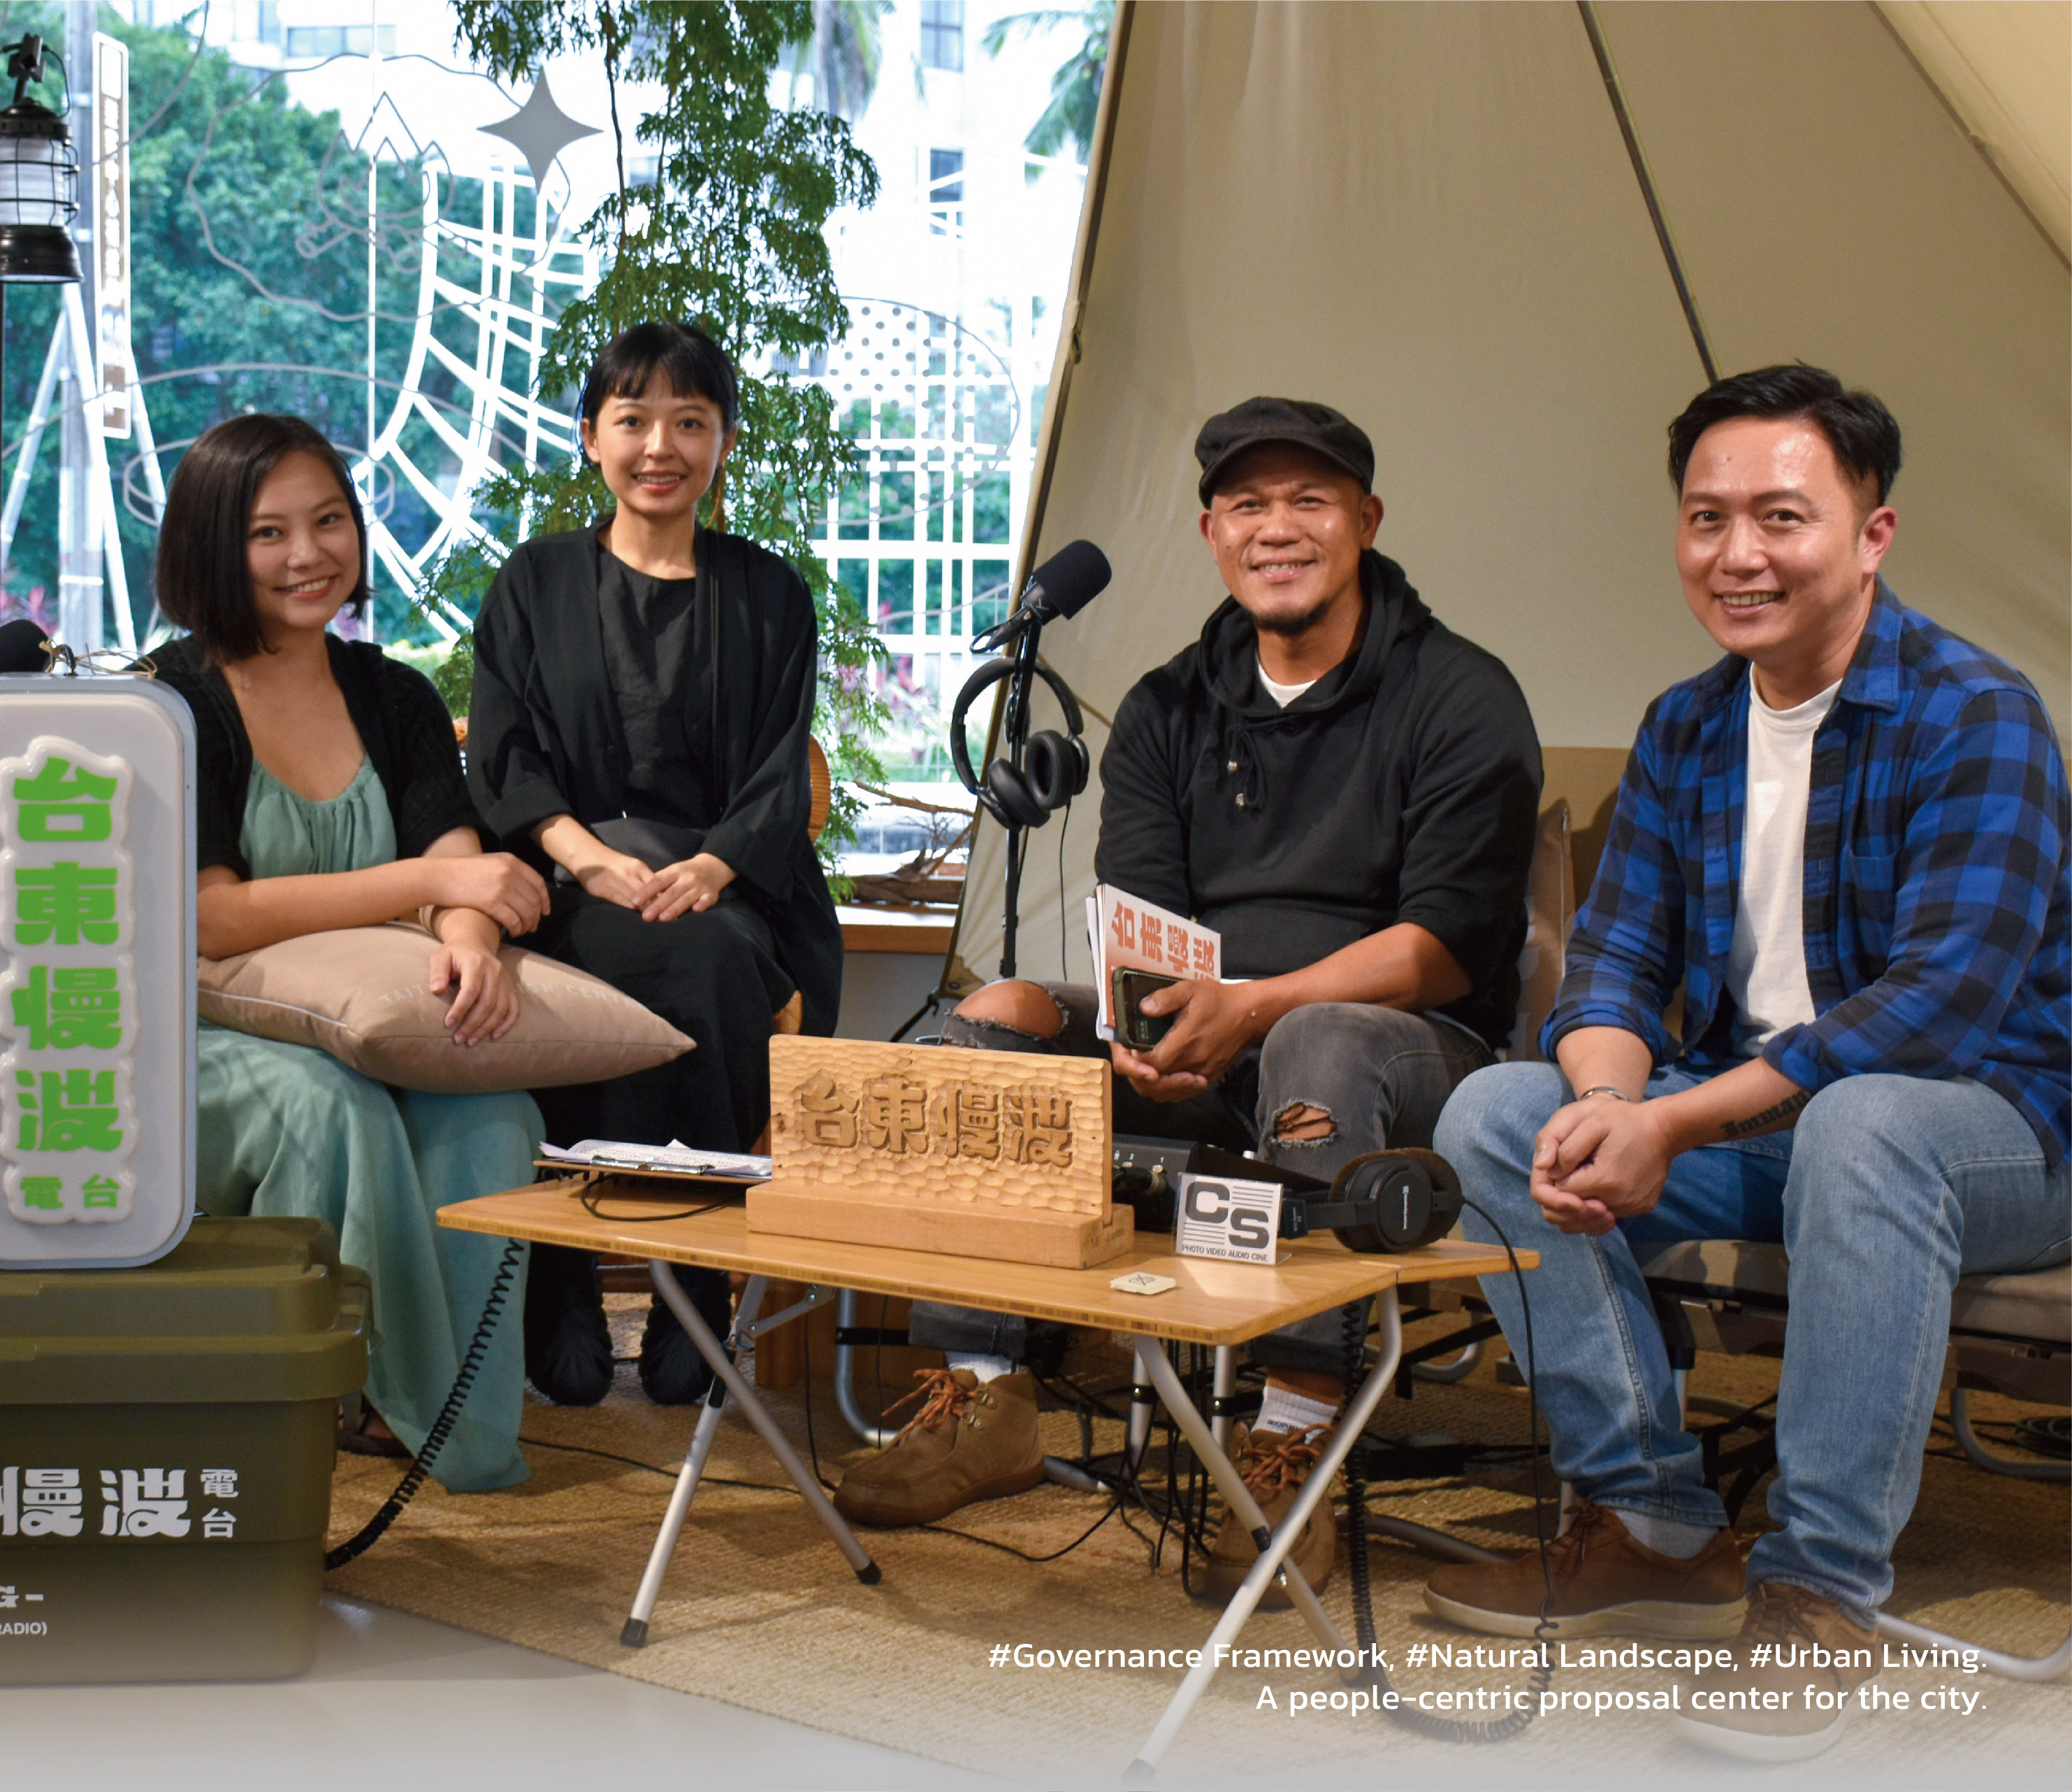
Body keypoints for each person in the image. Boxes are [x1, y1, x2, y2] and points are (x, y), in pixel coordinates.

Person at [1425, 366, 2069, 1761]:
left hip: (1998, 1132)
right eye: (1706, 517)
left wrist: (1671, 1125)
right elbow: (1612, 966)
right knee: (1495, 1111)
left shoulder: (1977, 713)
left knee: (1867, 1120)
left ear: (1872, 534)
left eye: (1781, 516)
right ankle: (1654, 1524)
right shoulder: (1688, 724)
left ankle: (1817, 1591)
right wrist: (1610, 1106)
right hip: (1759, 1122)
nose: (1737, 553)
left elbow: (1934, 1012)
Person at [835, 399, 1542, 1607]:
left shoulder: (1459, 694)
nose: (1277, 529)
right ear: (1212, 531)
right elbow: (1142, 925)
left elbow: (1446, 949)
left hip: (1403, 1052)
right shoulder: (1168, 707)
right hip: (1209, 1036)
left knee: (1318, 1034)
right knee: (1000, 1012)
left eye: (1309, 501)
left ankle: (1292, 1437)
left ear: (1366, 521)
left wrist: (1256, 1006)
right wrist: (1144, 1024)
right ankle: (987, 1391)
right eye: (1247, 505)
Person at [154, 412, 553, 1492]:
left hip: (367, 1027)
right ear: (211, 547)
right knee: (333, 1107)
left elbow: (454, 852)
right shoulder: (169, 701)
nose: (308, 554)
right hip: (196, 1042)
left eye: (328, 521)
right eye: (268, 532)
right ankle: (364, 1383)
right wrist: (435, 887)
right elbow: (211, 918)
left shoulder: (392, 693)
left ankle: (449, 1421)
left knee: (493, 1114)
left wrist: (468, 942)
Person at [467, 321, 843, 1408]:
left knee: (712, 958)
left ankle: (685, 1269)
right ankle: (571, 1270)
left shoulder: (768, 593)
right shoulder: (534, 580)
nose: (659, 446)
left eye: (690, 421)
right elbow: (502, 753)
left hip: (729, 886)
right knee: (614, 958)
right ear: (591, 436)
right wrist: (586, 858)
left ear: (724, 441)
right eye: (633, 420)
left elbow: (779, 770)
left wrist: (715, 867)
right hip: (568, 876)